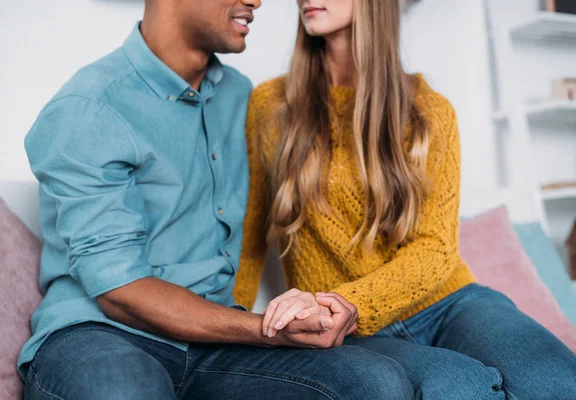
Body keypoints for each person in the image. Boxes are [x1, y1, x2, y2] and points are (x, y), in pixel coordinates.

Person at [19, 0, 416, 399]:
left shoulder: (243, 97)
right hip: (102, 335)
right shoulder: (89, 107)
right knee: (129, 390)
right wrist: (266, 329)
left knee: (373, 382)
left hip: (214, 345)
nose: (257, 2)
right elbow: (120, 291)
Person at [234, 0, 576, 398]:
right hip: (344, 329)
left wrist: (356, 299)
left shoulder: (429, 111)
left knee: (555, 378)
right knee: (459, 388)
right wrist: (238, 330)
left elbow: (435, 248)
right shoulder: (271, 105)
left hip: (448, 302)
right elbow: (251, 233)